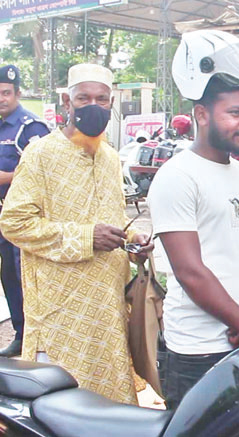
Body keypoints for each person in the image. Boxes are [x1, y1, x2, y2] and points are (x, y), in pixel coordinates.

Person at [0, 63, 152, 405]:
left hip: (108, 306)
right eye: (83, 98)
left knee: (108, 409)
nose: (93, 106)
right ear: (67, 103)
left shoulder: (111, 157)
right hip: (61, 310)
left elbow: (108, 219)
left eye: (102, 99)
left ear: (111, 103)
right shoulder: (41, 153)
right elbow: (14, 223)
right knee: (63, 407)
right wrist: (85, 238)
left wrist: (132, 242)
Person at [148, 29, 239, 409]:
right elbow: (190, 271)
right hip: (197, 353)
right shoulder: (176, 176)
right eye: (235, 113)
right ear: (201, 115)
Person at [0, 65, 50, 357]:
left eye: (6, 93)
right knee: (9, 279)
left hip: (24, 219)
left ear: (17, 93)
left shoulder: (31, 127)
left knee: (26, 278)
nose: (1, 99)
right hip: (2, 220)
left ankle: (37, 338)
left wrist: (5, 177)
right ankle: (21, 333)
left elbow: (42, 172)